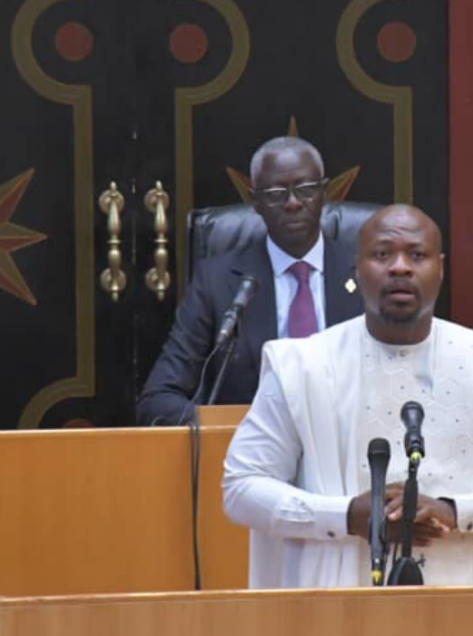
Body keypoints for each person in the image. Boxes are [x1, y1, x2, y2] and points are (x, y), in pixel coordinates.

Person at [223, 204, 473, 588]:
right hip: (336, 606)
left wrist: (455, 510)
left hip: (472, 600)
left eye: (417, 255)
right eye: (382, 254)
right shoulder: (301, 367)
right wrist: (346, 515)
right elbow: (243, 485)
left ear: (441, 268)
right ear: (357, 268)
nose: (400, 267)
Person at [137, 136, 366, 425]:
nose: (293, 202)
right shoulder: (217, 282)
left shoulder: (364, 273)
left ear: (324, 193)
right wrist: (223, 432)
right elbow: (159, 397)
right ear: (255, 202)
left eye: (306, 189)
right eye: (275, 192)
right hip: (250, 456)